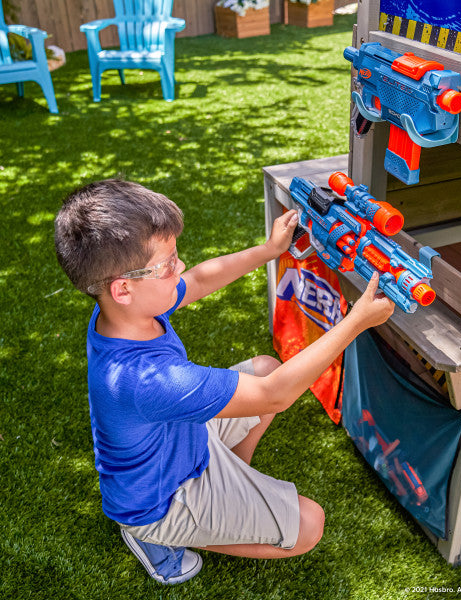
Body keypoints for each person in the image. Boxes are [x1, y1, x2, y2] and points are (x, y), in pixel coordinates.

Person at [54, 179, 394, 584]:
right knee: (309, 525)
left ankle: (230, 488)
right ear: (123, 288)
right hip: (162, 501)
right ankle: (156, 537)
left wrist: (270, 250)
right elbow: (274, 397)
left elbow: (196, 281)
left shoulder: (125, 313)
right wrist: (355, 322)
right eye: (167, 265)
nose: (179, 268)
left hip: (180, 444)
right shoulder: (149, 379)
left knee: (265, 366)